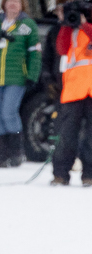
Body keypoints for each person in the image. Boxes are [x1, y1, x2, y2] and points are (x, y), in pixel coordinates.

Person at [0, 0, 41, 167]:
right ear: (4, 4)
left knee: (8, 112)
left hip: (16, 77)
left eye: (17, 2)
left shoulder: (28, 25)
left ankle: (16, 152)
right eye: (10, 1)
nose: (13, 5)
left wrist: (32, 74)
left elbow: (35, 53)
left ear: (22, 5)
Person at [51, 10, 92, 187]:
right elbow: (61, 48)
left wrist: (84, 24)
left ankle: (89, 175)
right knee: (66, 136)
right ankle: (60, 174)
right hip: (74, 90)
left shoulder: (87, 27)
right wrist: (66, 24)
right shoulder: (70, 29)